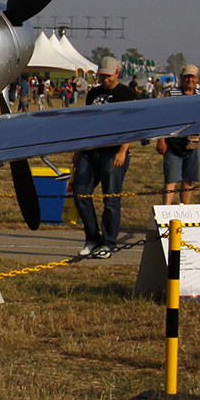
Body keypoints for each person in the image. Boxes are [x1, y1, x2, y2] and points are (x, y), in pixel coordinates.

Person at [71, 57, 137, 258]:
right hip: (90, 150)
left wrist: (122, 150)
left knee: (111, 199)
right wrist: (78, 151)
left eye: (108, 76)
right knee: (80, 193)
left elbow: (133, 125)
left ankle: (108, 242)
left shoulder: (127, 94)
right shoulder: (93, 93)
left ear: (116, 73)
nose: (105, 79)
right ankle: (92, 237)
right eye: (102, 76)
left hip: (113, 151)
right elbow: (86, 123)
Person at [157, 64, 200, 204]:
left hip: (195, 141)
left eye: (192, 77)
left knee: (188, 179)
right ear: (181, 78)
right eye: (187, 77)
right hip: (174, 141)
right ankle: (166, 212)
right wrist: (161, 140)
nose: (189, 80)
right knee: (171, 179)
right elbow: (162, 118)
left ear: (197, 79)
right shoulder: (171, 94)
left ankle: (184, 211)